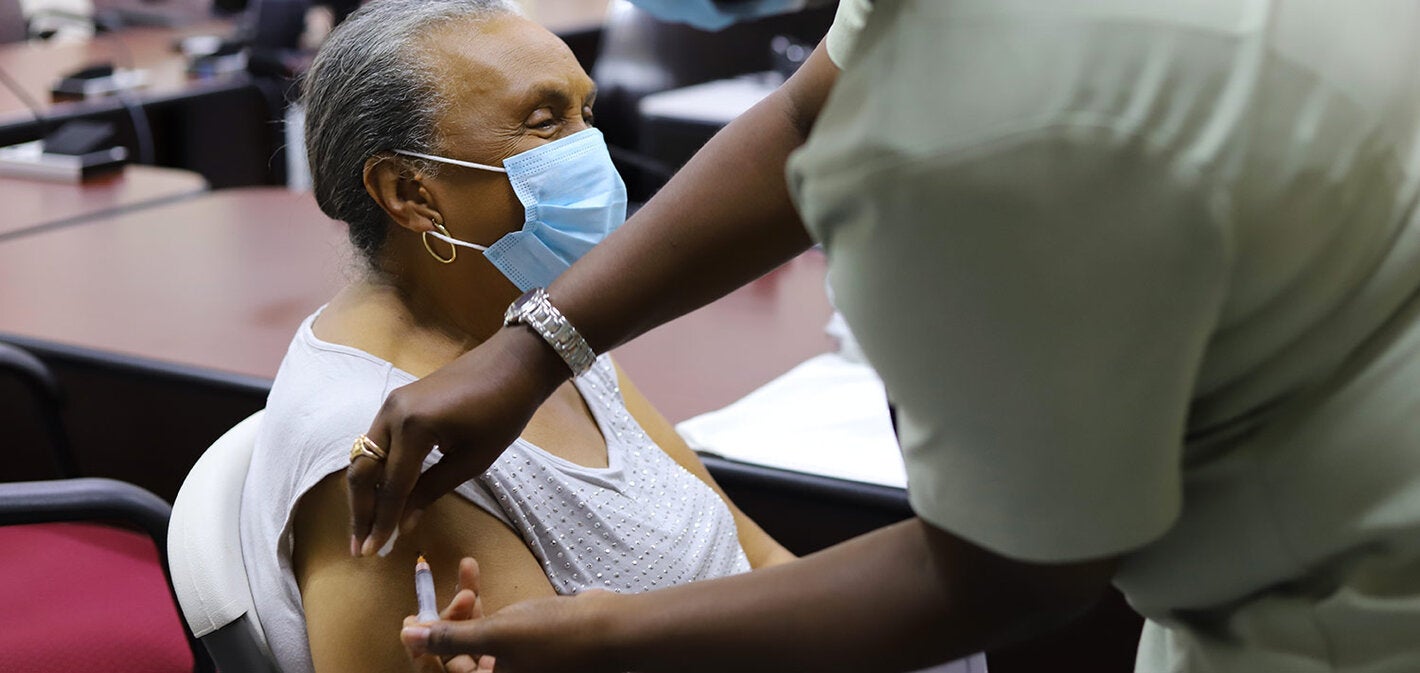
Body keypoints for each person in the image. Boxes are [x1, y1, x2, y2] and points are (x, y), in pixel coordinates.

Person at [352, 1, 1420, 672]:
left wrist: (614, 635)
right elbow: (808, 110)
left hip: (1346, 610)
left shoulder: (983, 137)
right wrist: (540, 340)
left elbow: (1011, 575)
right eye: (546, 120)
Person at [236, 2, 796, 672]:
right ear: (409, 191)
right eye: (545, 121)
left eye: (585, 114)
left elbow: (759, 559)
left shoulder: (538, 326)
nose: (588, 149)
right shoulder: (389, 447)